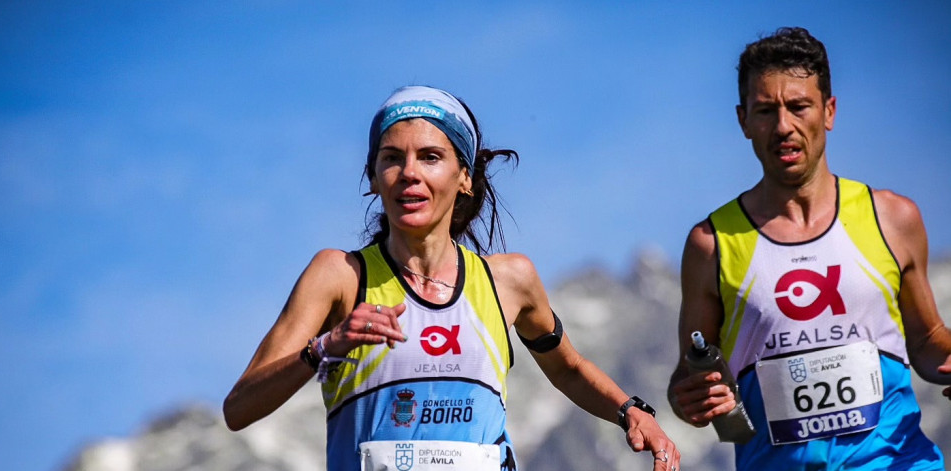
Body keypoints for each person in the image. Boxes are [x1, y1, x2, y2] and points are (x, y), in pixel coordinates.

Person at [224, 85, 680, 470]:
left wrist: (630, 412)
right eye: (391, 158)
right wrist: (325, 347)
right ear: (373, 177)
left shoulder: (509, 281)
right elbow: (239, 408)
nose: (409, 174)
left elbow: (570, 367)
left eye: (430, 157)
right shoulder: (339, 276)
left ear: (464, 176)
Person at [667, 27, 951, 470]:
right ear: (743, 120)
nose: (784, 126)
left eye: (799, 106)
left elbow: (928, 340)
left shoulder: (893, 219)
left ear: (829, 111)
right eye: (765, 111)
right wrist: (693, 396)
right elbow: (689, 378)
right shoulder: (711, 244)